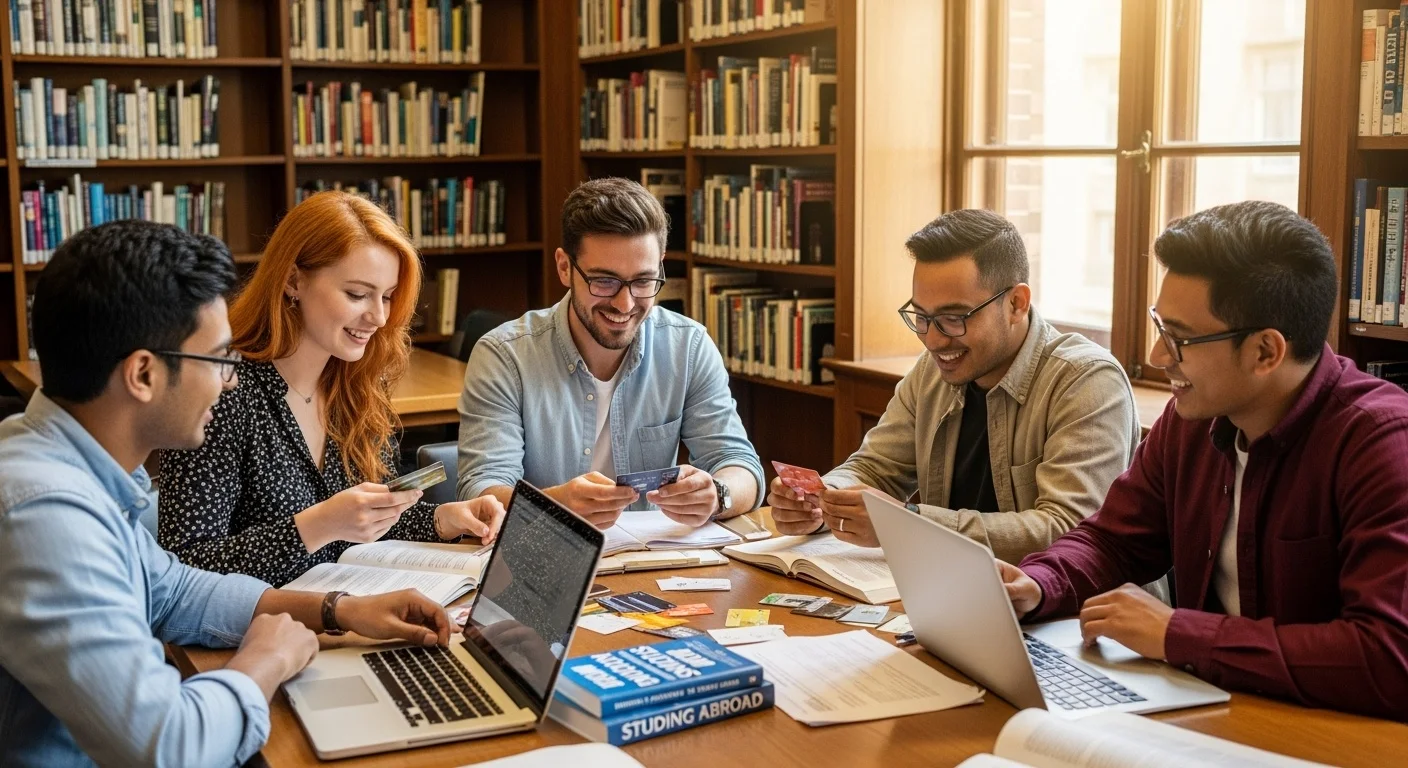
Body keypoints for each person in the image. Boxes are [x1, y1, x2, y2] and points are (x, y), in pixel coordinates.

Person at [0, 220, 455, 767]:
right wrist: (264, 660)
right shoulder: (46, 515)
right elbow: (172, 747)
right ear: (142, 374)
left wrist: (340, 611)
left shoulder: (62, 464)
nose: (231, 380)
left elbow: (175, 591)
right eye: (218, 360)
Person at [1000, 201, 1408, 721]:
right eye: (1158, 325)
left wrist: (1176, 634)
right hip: (1209, 710)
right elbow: (1113, 541)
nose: (1156, 355)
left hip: (1327, 731)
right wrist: (1038, 584)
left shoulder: (1381, 443)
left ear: (1265, 352)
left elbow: (1388, 657)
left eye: (1179, 337)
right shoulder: (1190, 419)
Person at [158, 191, 505, 587]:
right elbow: (185, 567)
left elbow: (372, 517)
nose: (378, 316)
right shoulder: (220, 390)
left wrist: (443, 519)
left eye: (387, 296)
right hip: (251, 633)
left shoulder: (355, 384)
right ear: (293, 280)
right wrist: (315, 526)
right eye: (357, 294)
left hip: (342, 616)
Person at [768, 209, 1140, 566]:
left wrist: (908, 524)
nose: (932, 339)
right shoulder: (933, 371)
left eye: (952, 318)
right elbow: (876, 468)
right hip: (956, 593)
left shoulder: (1087, 382)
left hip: (1072, 617)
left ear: (1016, 303)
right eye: (921, 317)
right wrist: (821, 501)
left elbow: (1066, 532)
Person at [457, 177, 763, 529]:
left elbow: (740, 464)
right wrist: (556, 506)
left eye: (644, 281)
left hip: (653, 564)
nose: (625, 303)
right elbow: (481, 493)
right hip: (544, 561)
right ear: (564, 267)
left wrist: (717, 494)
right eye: (604, 281)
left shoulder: (688, 346)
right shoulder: (504, 356)